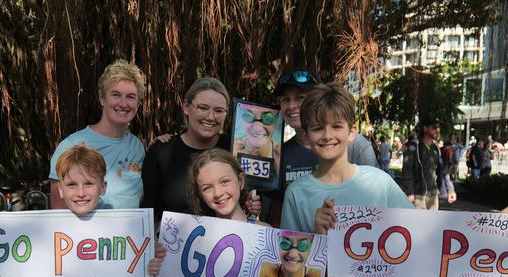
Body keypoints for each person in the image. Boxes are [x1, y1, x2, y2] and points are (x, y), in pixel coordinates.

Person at [281, 83, 508, 277]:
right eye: (317, 128)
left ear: (351, 131)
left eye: (336, 126)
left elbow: (429, 235)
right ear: (306, 134)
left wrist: (497, 224)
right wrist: (314, 237)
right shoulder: (297, 193)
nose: (327, 136)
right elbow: (289, 275)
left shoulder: (379, 182)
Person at [0, 145, 166, 277]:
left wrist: (151, 265)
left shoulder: (124, 233)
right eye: (71, 184)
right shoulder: (39, 233)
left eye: (89, 184)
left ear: (103, 187)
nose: (80, 193)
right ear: (60, 189)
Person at [142, 77, 260, 224]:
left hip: (231, 242)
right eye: (203, 108)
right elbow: (149, 211)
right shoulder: (162, 151)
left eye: (218, 111)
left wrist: (252, 205)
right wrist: (152, 243)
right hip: (175, 244)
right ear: (186, 107)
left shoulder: (237, 147)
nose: (210, 117)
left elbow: (251, 193)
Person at [267, 68, 376, 227]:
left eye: (300, 98)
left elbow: (374, 197)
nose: (292, 106)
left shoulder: (356, 146)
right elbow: (279, 212)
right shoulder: (280, 154)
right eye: (285, 99)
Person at [48, 59, 146, 210]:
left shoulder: (137, 147)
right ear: (102, 98)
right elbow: (59, 214)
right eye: (115, 94)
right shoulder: (71, 146)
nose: (123, 103)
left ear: (138, 104)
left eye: (130, 97)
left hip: (127, 233)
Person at [188, 148, 270, 226]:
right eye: (207, 188)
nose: (218, 193)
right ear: (200, 194)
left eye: (224, 182)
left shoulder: (266, 232)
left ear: (240, 181)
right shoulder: (197, 235)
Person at [401, 117, 456, 210]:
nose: (437, 130)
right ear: (425, 128)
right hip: (418, 195)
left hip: (433, 195)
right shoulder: (414, 147)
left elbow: (443, 170)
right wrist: (409, 192)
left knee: (433, 224)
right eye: (434, 127)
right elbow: (407, 171)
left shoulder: (436, 148)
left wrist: (450, 189)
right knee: (419, 224)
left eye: (438, 128)